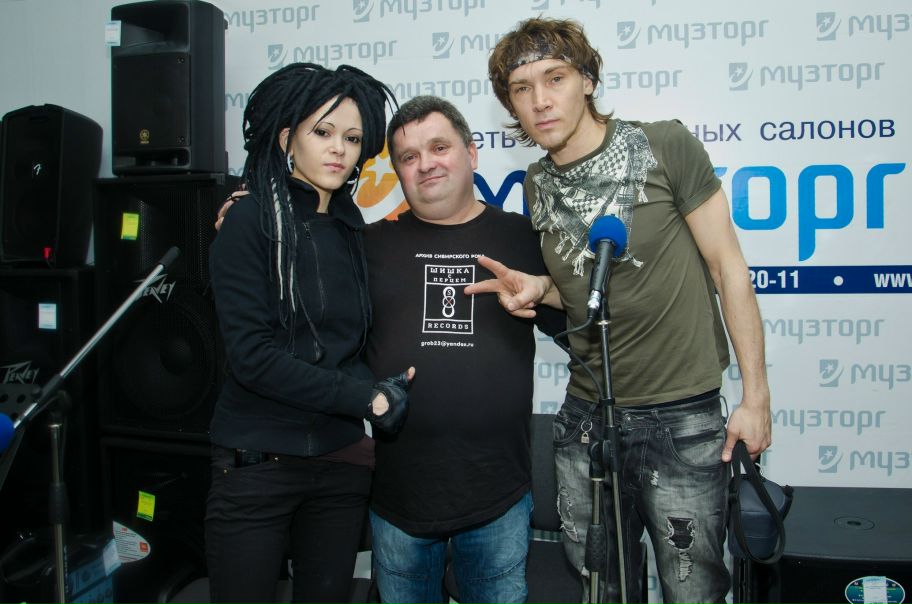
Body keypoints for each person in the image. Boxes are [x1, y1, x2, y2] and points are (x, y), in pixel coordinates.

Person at [467, 17, 773, 604]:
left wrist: (755, 398)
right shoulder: (537, 181)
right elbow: (582, 287)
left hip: (681, 417)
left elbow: (728, 268)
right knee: (599, 589)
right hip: (586, 417)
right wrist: (538, 287)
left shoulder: (664, 145)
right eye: (522, 88)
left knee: (694, 592)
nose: (540, 100)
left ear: (587, 80)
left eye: (555, 78)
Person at [206, 62, 413, 604]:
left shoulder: (354, 231)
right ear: (286, 139)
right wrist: (365, 399)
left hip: (341, 465)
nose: (338, 149)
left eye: (352, 138)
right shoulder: (250, 222)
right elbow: (252, 358)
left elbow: (356, 342)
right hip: (257, 464)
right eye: (322, 132)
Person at [364, 95, 563, 604]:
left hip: (497, 496)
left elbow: (577, 327)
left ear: (472, 153)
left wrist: (543, 289)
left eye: (439, 147)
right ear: (398, 171)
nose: (425, 164)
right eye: (409, 156)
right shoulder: (366, 245)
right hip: (398, 498)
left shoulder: (523, 237)